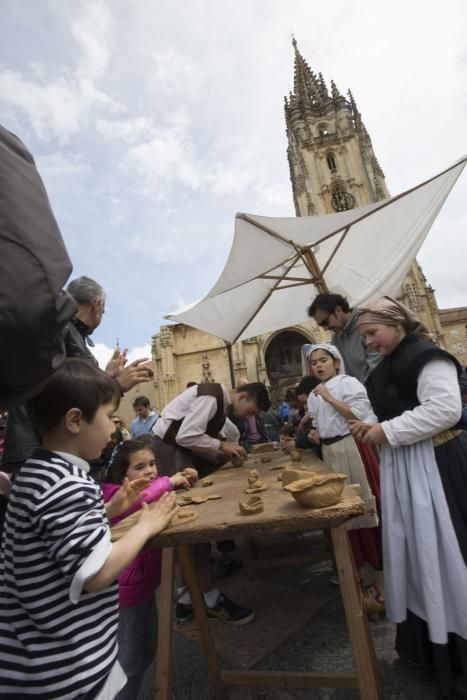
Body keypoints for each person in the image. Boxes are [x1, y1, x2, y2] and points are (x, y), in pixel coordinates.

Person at [0, 358, 178, 698]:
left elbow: (59, 540)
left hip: (30, 658)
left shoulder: (38, 474)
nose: (113, 428)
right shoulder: (68, 484)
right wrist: (147, 524)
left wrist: (111, 508)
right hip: (64, 666)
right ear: (75, 420)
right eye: (109, 417)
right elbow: (95, 573)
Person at [354, 296, 467, 698]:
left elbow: (445, 410)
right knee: (419, 556)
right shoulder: (389, 364)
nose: (367, 341)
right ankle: (429, 648)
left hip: (437, 466)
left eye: (372, 332)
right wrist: (370, 425)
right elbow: (393, 411)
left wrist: (386, 432)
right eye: (363, 335)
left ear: (396, 322)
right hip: (409, 467)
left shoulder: (427, 356)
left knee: (446, 552)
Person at [2, 276, 153, 475]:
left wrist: (104, 378)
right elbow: (58, 389)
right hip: (40, 455)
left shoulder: (65, 329)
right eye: (104, 310)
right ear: (97, 304)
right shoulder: (60, 327)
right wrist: (114, 386)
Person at [152, 381, 270, 624]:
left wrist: (219, 453)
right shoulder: (213, 395)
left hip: (176, 451)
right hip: (171, 453)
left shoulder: (219, 402)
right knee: (191, 524)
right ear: (243, 396)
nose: (248, 416)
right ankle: (212, 600)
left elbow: (196, 438)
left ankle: (186, 600)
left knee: (187, 524)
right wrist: (222, 445)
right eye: (250, 411)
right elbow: (186, 436)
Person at [102, 440, 197, 699]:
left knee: (147, 651)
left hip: (144, 587)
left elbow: (157, 496)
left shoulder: (152, 489)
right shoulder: (112, 494)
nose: (150, 471)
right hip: (126, 594)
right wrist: (169, 481)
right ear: (121, 474)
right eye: (140, 467)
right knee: (129, 660)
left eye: (153, 464)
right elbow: (140, 499)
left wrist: (186, 480)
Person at [306, 343, 383, 613]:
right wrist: (316, 434)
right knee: (342, 511)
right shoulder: (313, 395)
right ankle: (357, 567)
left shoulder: (347, 383)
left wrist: (328, 397)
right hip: (330, 452)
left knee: (362, 506)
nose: (318, 365)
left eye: (323, 360)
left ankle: (378, 568)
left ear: (336, 362)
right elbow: (319, 426)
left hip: (352, 448)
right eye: (314, 362)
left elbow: (359, 416)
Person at [308, 293, 380, 383]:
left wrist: (360, 392)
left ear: (338, 310)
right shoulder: (336, 340)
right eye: (321, 325)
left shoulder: (367, 325)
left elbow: (377, 367)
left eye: (325, 322)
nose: (325, 328)